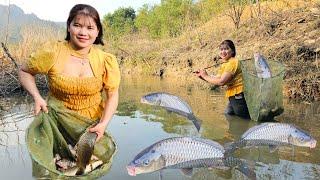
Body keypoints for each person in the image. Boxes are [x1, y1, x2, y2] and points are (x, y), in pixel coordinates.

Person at [18, 4, 120, 176]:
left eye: (90, 28)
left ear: (97, 32)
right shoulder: (53, 51)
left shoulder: (105, 60)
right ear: (69, 26)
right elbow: (25, 71)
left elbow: (112, 95)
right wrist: (37, 97)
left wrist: (103, 124)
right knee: (55, 168)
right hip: (55, 123)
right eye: (77, 25)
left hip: (90, 127)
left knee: (85, 168)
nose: (83, 32)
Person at [195, 40, 250, 119]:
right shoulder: (226, 63)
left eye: (226, 49)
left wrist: (205, 76)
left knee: (243, 118)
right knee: (228, 114)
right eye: (221, 49)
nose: (223, 51)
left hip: (238, 95)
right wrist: (203, 76)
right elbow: (217, 78)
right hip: (232, 94)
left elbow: (222, 82)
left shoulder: (232, 63)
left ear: (232, 51)